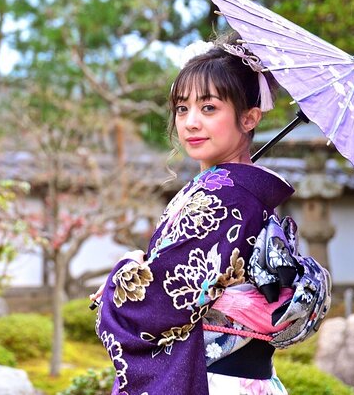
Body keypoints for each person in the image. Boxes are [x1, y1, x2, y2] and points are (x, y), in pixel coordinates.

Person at [90, 32, 320, 395]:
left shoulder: (227, 197)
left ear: (249, 118)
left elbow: (165, 300)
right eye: (182, 108)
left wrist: (125, 273)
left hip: (213, 380)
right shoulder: (234, 192)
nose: (190, 122)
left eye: (208, 108)